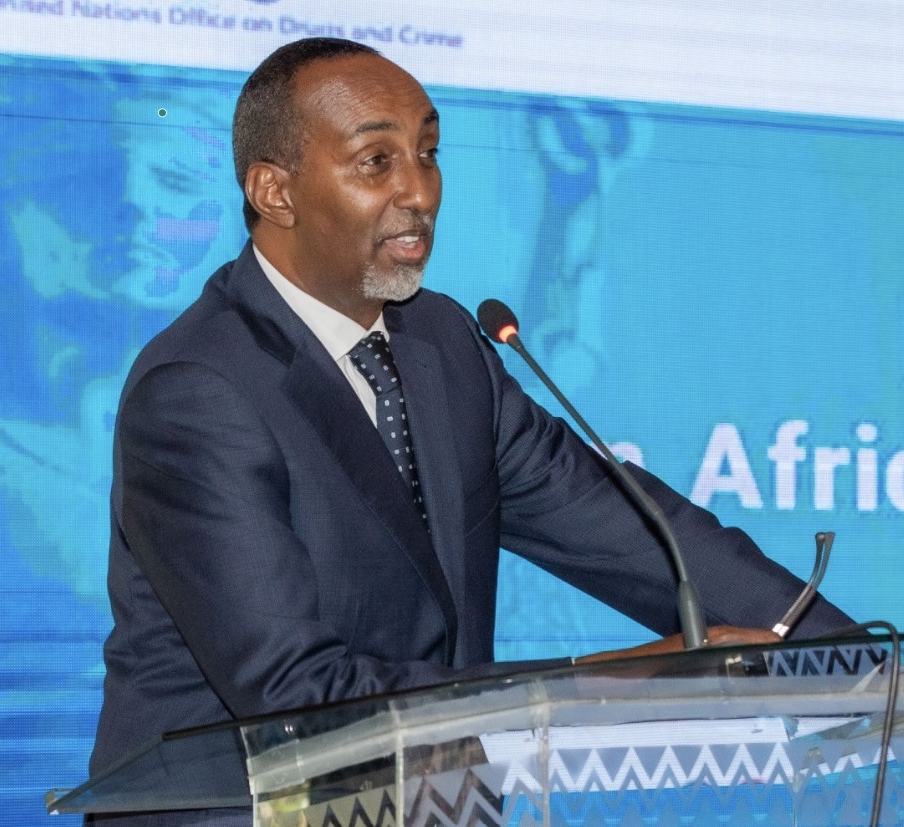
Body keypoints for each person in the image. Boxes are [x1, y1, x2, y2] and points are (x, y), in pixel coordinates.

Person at [87, 37, 856, 825]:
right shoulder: (200, 389)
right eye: (376, 162)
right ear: (274, 191)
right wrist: (607, 680)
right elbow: (294, 694)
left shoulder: (442, 344)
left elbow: (636, 535)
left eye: (427, 153)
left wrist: (852, 662)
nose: (418, 191)